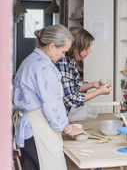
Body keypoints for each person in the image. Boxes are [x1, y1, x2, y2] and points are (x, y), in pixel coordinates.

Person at [13, 24, 85, 170]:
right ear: (52, 46)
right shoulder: (44, 68)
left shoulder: (30, 60)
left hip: (28, 128)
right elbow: (51, 104)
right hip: (38, 129)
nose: (63, 56)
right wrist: (68, 128)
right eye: (63, 51)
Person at [55, 27, 112, 112]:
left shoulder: (72, 61)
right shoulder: (62, 63)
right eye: (86, 48)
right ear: (74, 48)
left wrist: (93, 85)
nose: (89, 51)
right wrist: (99, 92)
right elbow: (70, 99)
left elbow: (74, 86)